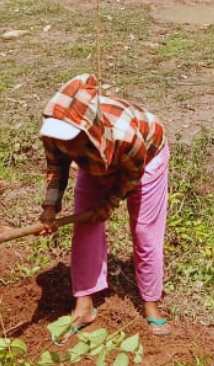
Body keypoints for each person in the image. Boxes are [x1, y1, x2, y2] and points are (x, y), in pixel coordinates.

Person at [37, 74, 172, 337]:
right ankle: (84, 305)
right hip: (95, 160)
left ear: (87, 132)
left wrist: (109, 202)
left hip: (146, 157)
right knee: (86, 225)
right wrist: (50, 209)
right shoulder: (55, 133)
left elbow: (133, 175)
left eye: (70, 139)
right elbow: (56, 167)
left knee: (145, 232)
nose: (63, 145)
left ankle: (151, 305)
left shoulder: (126, 136)